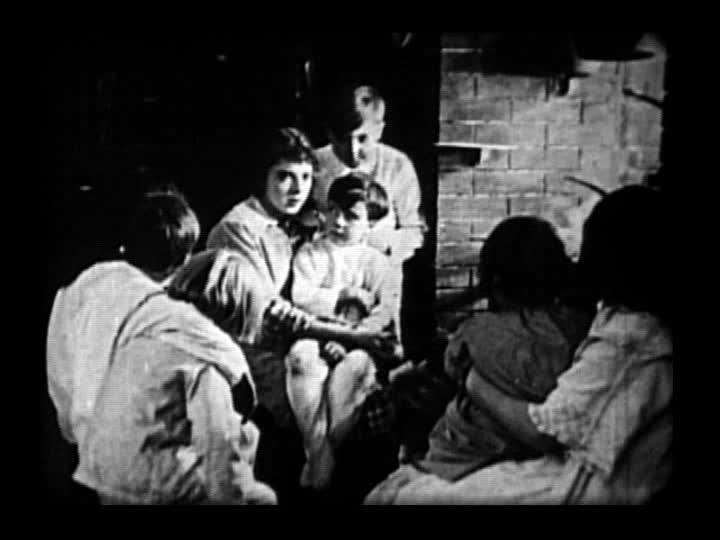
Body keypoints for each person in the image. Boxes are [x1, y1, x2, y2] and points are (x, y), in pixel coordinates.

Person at [366, 185, 673, 504]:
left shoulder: (628, 337)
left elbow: (543, 431)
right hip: (545, 463)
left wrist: (469, 378)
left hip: (559, 475)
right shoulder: (591, 324)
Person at [46, 189, 275, 504]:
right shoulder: (185, 329)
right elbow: (219, 441)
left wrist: (75, 427)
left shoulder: (88, 283)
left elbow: (59, 361)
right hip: (140, 466)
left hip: (91, 446)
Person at [204, 127, 396, 500]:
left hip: (303, 340)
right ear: (262, 177)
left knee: (365, 386)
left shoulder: (290, 222)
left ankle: (326, 470)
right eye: (284, 176)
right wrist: (348, 333)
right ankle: (320, 472)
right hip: (255, 355)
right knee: (325, 397)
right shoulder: (239, 229)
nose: (297, 188)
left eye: (306, 177)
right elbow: (271, 312)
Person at [286, 174, 402, 490]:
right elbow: (301, 297)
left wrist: (350, 340)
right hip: (316, 334)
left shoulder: (377, 263)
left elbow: (384, 311)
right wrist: (342, 296)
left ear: (370, 223)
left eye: (351, 216)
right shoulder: (311, 253)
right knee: (300, 358)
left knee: (357, 367)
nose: (338, 221)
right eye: (333, 210)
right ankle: (319, 449)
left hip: (359, 344)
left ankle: (324, 453)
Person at [312, 85, 427, 352]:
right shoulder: (315, 166)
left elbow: (415, 229)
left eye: (363, 139)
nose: (353, 150)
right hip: (327, 275)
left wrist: (383, 247)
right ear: (329, 133)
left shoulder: (397, 165)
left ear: (379, 130)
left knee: (379, 349)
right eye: (343, 140)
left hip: (379, 275)